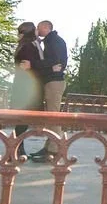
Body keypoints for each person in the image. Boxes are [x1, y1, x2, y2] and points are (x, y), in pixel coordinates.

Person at [28, 19, 68, 162]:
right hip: (52, 81)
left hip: (54, 82)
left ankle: (54, 151)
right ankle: (49, 147)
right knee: (51, 116)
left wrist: (33, 64)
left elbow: (56, 61)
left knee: (53, 116)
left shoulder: (54, 41)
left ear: (46, 27)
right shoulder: (50, 41)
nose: (38, 31)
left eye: (39, 28)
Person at [10, 21, 44, 158]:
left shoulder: (24, 45)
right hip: (27, 87)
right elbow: (28, 67)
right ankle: (17, 148)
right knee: (23, 118)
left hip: (22, 85)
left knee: (22, 118)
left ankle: (18, 148)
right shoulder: (29, 47)